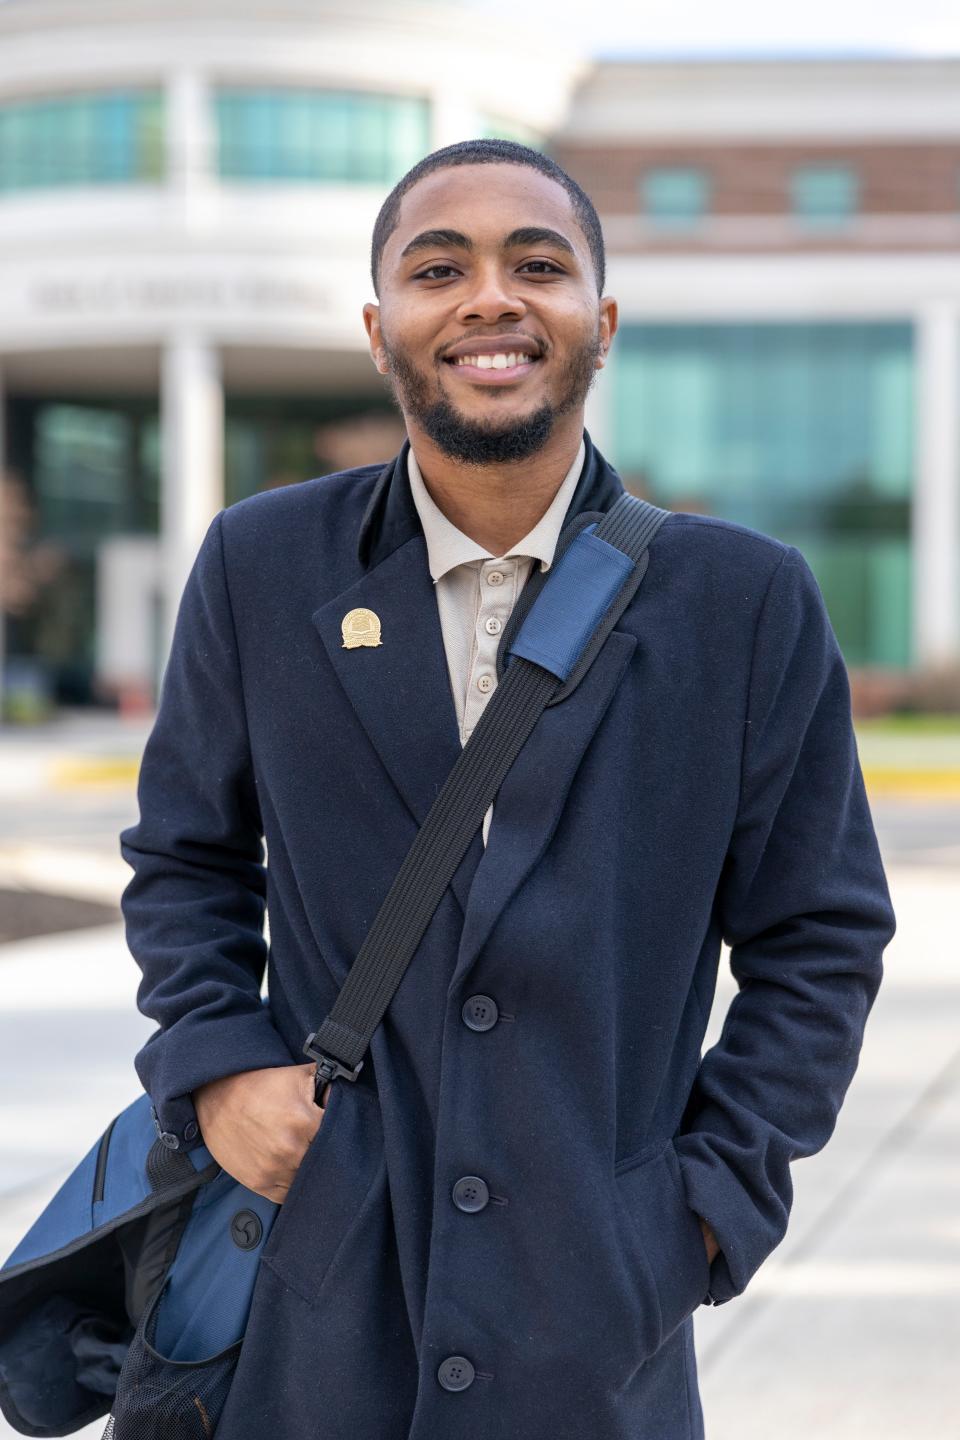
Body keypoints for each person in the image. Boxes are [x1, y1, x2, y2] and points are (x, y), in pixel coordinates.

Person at [119, 138, 896, 1439]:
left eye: (538, 263)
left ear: (602, 321)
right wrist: (215, 1068)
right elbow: (185, 859)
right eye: (440, 268)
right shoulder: (263, 566)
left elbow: (819, 934)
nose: (490, 296)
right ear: (381, 330)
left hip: (597, 1313)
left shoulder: (745, 604)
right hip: (312, 1293)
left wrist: (703, 1209)